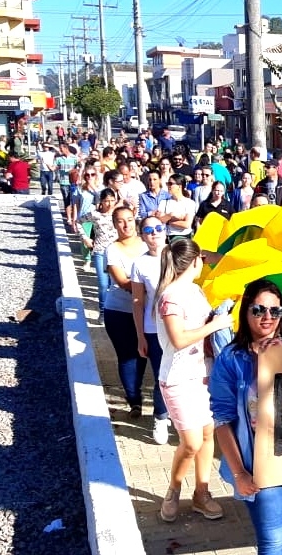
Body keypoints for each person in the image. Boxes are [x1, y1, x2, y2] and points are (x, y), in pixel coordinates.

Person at [209, 278, 282, 555]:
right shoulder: (231, 359)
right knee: (273, 543)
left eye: (275, 311)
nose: (267, 318)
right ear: (245, 311)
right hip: (257, 463)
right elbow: (222, 420)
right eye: (259, 310)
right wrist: (239, 473)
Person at [155, 238, 234, 523]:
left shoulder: (196, 291)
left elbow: (202, 331)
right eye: (204, 258)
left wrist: (220, 316)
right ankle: (173, 490)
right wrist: (215, 325)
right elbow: (178, 339)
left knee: (206, 434)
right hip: (177, 378)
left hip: (203, 373)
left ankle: (202, 493)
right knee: (190, 442)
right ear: (196, 260)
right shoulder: (170, 297)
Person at [104, 206, 149, 417]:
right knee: (127, 356)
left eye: (130, 220)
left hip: (147, 309)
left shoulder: (149, 242)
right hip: (120, 311)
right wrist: (152, 282)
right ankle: (134, 399)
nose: (126, 225)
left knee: (143, 354)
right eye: (121, 221)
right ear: (115, 225)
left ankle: (138, 390)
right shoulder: (112, 250)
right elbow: (123, 282)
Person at [131, 216, 172, 444]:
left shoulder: (177, 255)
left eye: (158, 228)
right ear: (142, 235)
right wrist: (140, 336)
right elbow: (137, 302)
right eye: (148, 229)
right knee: (161, 375)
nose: (154, 232)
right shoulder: (140, 264)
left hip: (181, 325)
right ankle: (160, 417)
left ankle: (177, 414)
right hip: (153, 328)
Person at [76, 188, 118, 309]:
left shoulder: (118, 213)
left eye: (112, 200)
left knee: (114, 284)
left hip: (116, 252)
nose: (109, 204)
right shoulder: (95, 214)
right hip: (100, 251)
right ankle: (102, 310)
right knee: (103, 284)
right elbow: (79, 222)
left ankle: (112, 309)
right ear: (101, 201)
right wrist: (85, 238)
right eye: (106, 201)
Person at [157, 174, 197, 241]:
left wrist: (168, 221)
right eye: (167, 183)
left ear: (179, 186)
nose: (168, 186)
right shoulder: (163, 202)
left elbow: (186, 224)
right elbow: (159, 221)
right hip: (168, 237)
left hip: (185, 238)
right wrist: (171, 215)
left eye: (170, 184)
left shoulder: (189, 203)